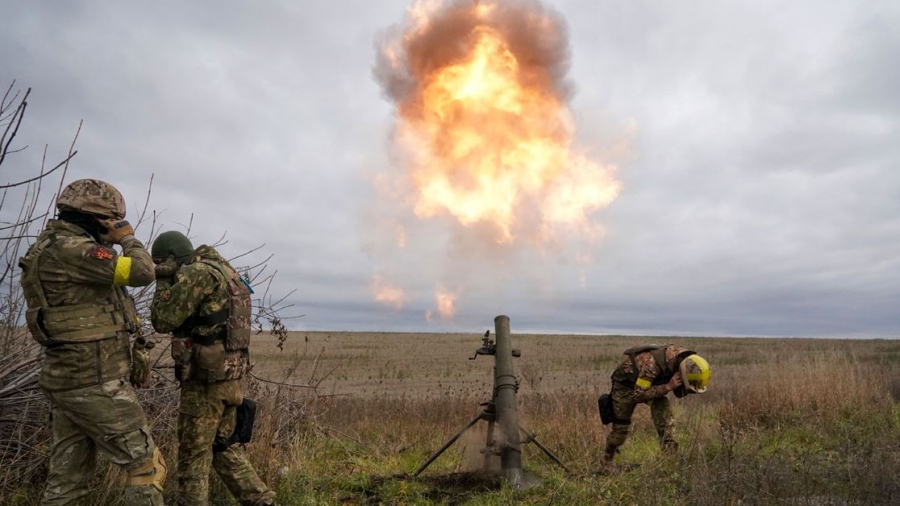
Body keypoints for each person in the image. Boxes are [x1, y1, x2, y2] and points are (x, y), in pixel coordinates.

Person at [18, 179, 167, 505]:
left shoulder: (50, 247)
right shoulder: (77, 251)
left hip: (69, 379)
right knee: (146, 467)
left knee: (68, 484)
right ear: (100, 219)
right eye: (112, 220)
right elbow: (143, 271)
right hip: (94, 381)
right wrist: (127, 238)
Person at [150, 230, 275, 506]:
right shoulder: (226, 271)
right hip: (231, 377)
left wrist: (163, 279)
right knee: (222, 446)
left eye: (160, 261)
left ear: (171, 258)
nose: (159, 266)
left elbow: (162, 319)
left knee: (192, 459)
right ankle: (262, 501)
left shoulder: (196, 274)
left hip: (205, 382)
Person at [599, 344, 710, 467]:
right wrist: (667, 387)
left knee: (662, 406)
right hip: (626, 388)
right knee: (620, 430)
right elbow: (639, 395)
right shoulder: (651, 366)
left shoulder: (683, 359)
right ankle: (606, 461)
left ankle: (669, 455)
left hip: (648, 385)